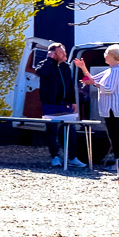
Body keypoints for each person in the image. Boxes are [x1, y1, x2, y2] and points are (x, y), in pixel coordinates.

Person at [34, 40, 84, 169]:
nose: (65, 54)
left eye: (64, 51)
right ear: (53, 54)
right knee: (52, 131)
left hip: (65, 105)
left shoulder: (66, 67)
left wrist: (73, 101)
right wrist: (49, 59)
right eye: (61, 52)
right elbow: (41, 73)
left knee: (70, 131)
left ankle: (72, 158)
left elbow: (70, 85)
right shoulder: (45, 64)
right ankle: (55, 157)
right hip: (50, 105)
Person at [85, 44, 119, 168]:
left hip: (112, 107)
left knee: (116, 134)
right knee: (114, 133)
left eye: (107, 53)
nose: (105, 55)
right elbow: (93, 79)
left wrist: (95, 84)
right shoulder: (110, 70)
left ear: (112, 56)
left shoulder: (116, 70)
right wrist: (83, 68)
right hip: (109, 107)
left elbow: (109, 89)